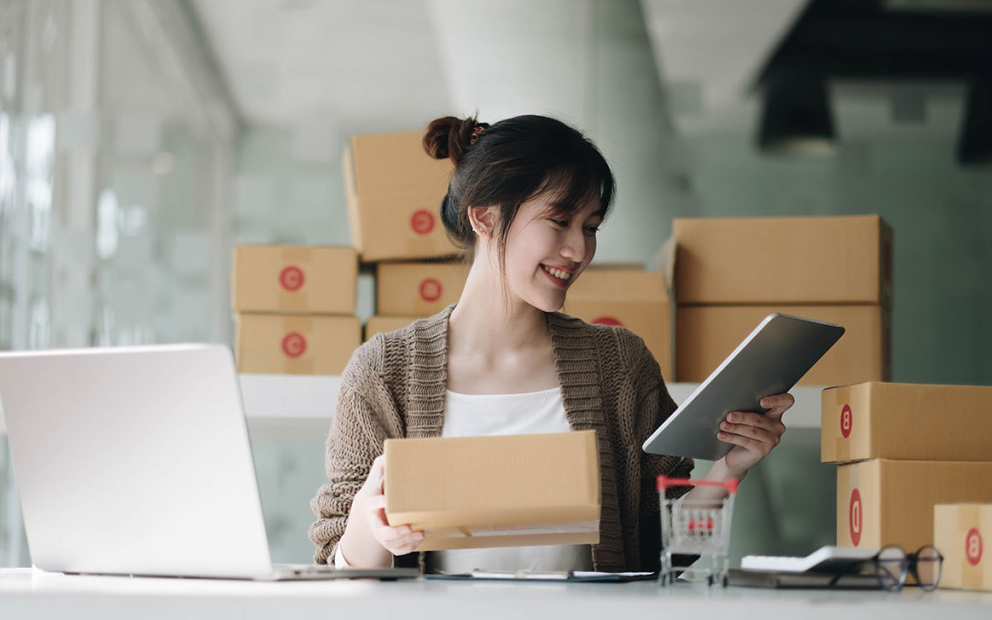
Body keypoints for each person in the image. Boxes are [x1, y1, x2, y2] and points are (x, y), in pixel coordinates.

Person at [309, 114, 792, 573]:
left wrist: (731, 466)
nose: (579, 250)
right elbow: (338, 562)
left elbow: (663, 550)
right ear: (485, 217)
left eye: (590, 227)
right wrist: (370, 522)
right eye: (559, 221)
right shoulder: (383, 371)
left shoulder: (620, 365)